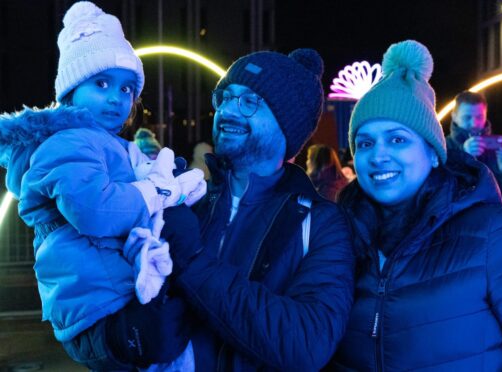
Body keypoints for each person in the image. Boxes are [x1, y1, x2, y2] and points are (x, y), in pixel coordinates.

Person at [103, 48, 355, 370]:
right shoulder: (189, 203)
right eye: (224, 97)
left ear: (287, 126)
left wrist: (193, 261)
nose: (228, 111)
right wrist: (123, 337)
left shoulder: (321, 223)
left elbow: (306, 343)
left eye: (249, 101)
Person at [329, 40, 502, 370]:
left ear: (433, 154)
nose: (378, 155)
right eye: (365, 143)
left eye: (397, 139)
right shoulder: (339, 238)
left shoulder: (495, 234)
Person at [0, 2, 206, 369]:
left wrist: (173, 184)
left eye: (127, 88)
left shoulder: (106, 143)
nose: (116, 97)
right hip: (98, 310)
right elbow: (95, 210)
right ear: (71, 90)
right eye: (101, 83)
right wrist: (156, 191)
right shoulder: (67, 142)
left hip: (111, 299)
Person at [447, 90, 502, 206]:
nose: (474, 123)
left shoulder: (498, 147)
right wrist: (463, 156)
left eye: (479, 117)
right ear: (454, 116)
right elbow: (440, 191)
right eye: (467, 117)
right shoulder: (444, 146)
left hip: (496, 220)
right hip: (460, 221)